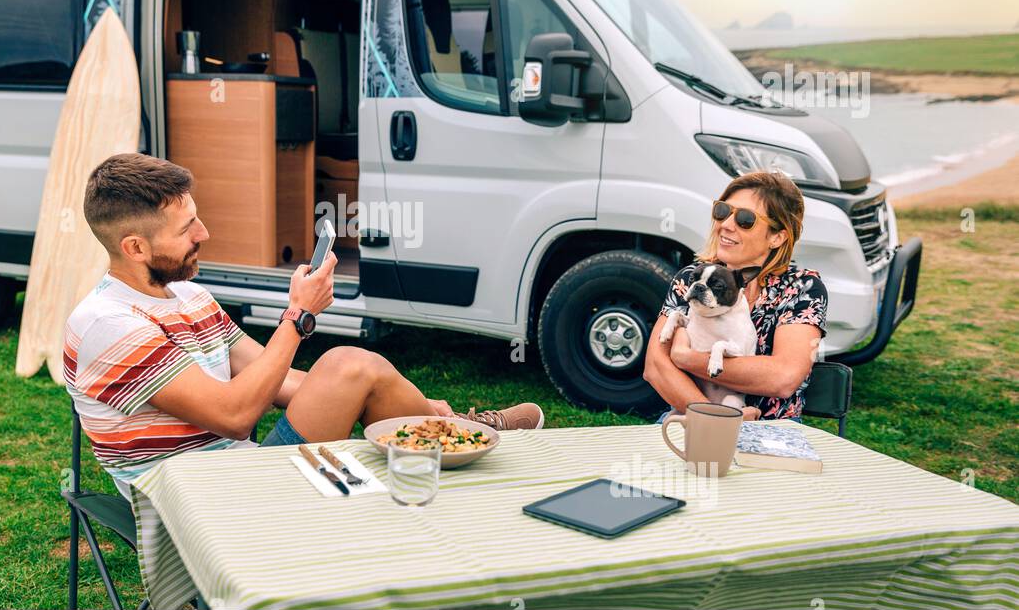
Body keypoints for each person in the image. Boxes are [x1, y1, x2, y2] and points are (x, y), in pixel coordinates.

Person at [63, 153, 543, 499]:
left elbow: (276, 381)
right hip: (200, 503)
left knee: (354, 372)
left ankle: (447, 427)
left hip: (240, 474)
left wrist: (381, 395)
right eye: (186, 228)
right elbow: (234, 416)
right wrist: (298, 318)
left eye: (197, 217)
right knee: (348, 368)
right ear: (135, 248)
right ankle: (454, 437)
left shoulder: (189, 296)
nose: (204, 233)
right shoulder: (109, 326)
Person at [643, 170, 828, 423]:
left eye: (744, 219)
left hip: (769, 430)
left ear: (777, 236)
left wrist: (685, 358)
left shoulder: (801, 287)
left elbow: (784, 377)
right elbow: (655, 367)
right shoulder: (692, 277)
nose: (726, 224)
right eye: (722, 211)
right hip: (691, 416)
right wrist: (716, 419)